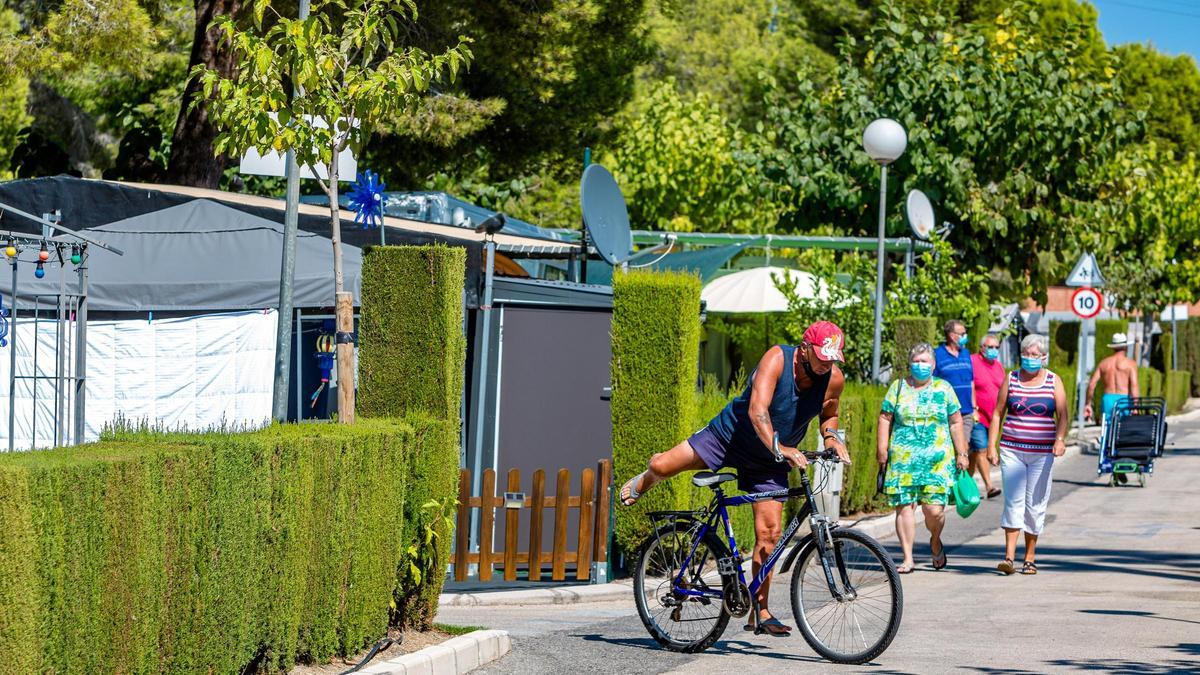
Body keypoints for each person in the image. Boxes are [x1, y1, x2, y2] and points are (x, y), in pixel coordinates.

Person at [619, 321, 851, 636]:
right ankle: (646, 478)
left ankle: (761, 609)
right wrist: (782, 447)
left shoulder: (833, 379)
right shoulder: (777, 359)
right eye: (822, 356)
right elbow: (757, 412)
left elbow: (829, 414)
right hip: (729, 437)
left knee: (770, 534)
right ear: (805, 347)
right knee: (662, 466)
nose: (827, 364)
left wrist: (832, 438)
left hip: (770, 459)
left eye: (832, 358)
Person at [876, 342, 969, 575]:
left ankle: (935, 541)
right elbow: (885, 418)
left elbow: (956, 421)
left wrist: (962, 453)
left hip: (937, 462)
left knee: (934, 511)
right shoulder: (897, 387)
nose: (920, 366)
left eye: (924, 361)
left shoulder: (944, 388)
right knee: (904, 508)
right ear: (910, 364)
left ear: (933, 364)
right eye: (916, 361)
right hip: (903, 461)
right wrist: (882, 449)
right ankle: (908, 558)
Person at [986, 334, 1069, 576]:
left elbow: (1062, 414)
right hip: (1012, 449)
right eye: (1027, 354)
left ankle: (1029, 557)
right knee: (1013, 501)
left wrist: (1060, 439)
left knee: (1034, 505)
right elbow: (997, 413)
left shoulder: (1053, 380)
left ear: (1043, 357)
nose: (1030, 359)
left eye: (1035, 355)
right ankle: (1009, 558)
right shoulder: (1011, 378)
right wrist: (992, 445)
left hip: (1042, 453)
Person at [934, 319, 975, 464]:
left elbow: (971, 382)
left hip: (966, 412)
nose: (966, 336)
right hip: (947, 413)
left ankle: (960, 483)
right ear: (952, 335)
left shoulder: (966, 354)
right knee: (951, 450)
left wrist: (975, 408)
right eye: (962, 333)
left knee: (963, 448)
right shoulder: (937, 355)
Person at [970, 333, 1005, 499]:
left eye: (996, 347)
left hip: (993, 418)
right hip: (977, 415)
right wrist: (973, 407)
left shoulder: (998, 366)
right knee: (981, 448)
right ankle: (989, 486)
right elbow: (969, 386)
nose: (993, 350)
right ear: (981, 347)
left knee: (974, 453)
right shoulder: (973, 362)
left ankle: (963, 488)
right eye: (990, 347)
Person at [1083, 332, 1140, 424]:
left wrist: (1088, 404)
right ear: (1125, 347)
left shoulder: (1104, 363)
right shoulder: (1130, 364)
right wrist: (1135, 406)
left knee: (1107, 428)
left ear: (1113, 347)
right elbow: (1134, 385)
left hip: (1108, 399)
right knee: (1123, 429)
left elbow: (1092, 384)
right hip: (1124, 400)